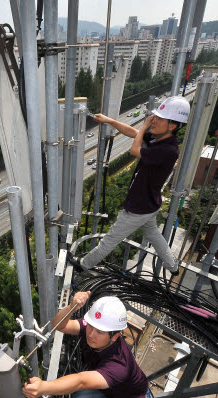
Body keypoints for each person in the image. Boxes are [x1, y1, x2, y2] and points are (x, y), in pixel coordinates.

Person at [71, 96, 191, 275]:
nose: (154, 120)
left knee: (110, 240)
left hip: (139, 207)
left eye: (159, 118)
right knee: (154, 235)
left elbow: (134, 150)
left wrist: (144, 126)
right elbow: (133, 133)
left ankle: (83, 264)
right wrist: (109, 120)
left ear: (173, 126)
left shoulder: (168, 150)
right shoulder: (159, 138)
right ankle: (172, 266)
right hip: (150, 204)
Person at [22, 293, 152, 398]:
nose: (91, 334)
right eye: (90, 326)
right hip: (104, 391)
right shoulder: (90, 328)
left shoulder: (119, 365)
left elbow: (81, 381)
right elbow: (59, 325)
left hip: (131, 397)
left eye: (100, 332)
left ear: (115, 336)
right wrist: (72, 307)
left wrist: (43, 387)